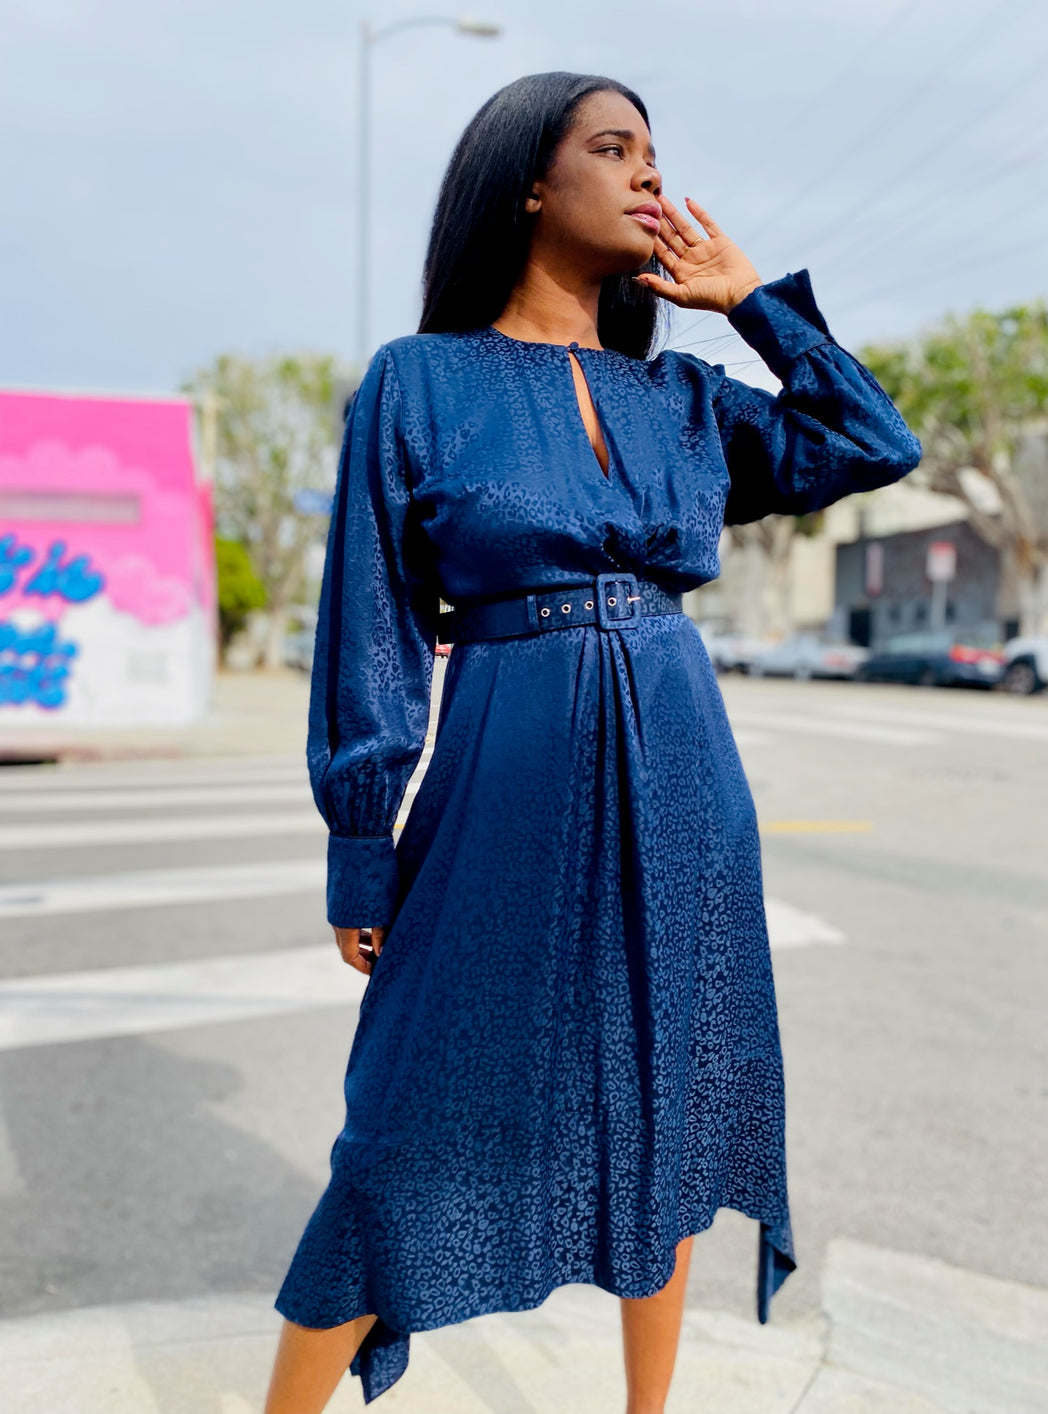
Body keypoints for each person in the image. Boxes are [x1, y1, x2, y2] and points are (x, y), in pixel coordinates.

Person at [263, 70, 921, 1414]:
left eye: (653, 153)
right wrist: (359, 849)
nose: (645, 176)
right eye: (611, 148)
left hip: (682, 760)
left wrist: (752, 303)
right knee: (401, 1123)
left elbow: (871, 442)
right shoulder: (420, 383)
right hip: (505, 749)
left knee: (665, 1101)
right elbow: (371, 629)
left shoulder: (680, 399)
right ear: (526, 183)